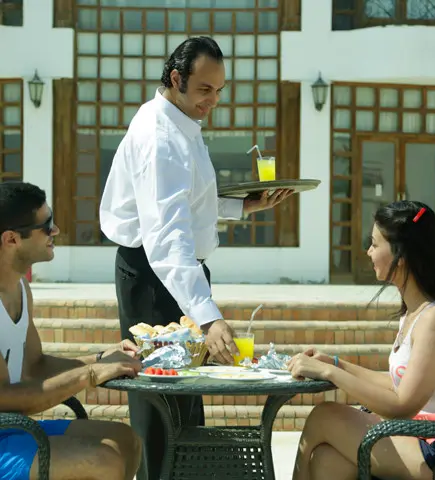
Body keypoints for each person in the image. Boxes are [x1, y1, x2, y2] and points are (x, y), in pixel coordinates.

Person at [100, 35, 292, 479]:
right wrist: (208, 316)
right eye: (205, 89)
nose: (213, 101)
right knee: (161, 405)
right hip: (153, 277)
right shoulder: (159, 136)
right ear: (176, 79)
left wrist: (244, 205)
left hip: (174, 273)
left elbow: (189, 204)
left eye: (219, 91)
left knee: (185, 403)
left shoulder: (182, 123)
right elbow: (166, 238)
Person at [288, 200, 435, 480]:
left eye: (374, 244)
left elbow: (401, 405)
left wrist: (328, 372)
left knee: (324, 416)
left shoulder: (433, 319)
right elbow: (397, 386)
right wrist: (335, 363)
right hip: (413, 436)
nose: (368, 252)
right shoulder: (413, 315)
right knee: (326, 461)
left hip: (432, 448)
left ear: (400, 254)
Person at [0, 182, 142, 480]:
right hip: (7, 431)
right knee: (101, 460)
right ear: (12, 239)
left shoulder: (20, 288)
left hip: (11, 430)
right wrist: (88, 375)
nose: (56, 231)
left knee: (126, 440)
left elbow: (35, 366)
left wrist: (101, 359)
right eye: (46, 225)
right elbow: (5, 397)